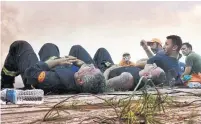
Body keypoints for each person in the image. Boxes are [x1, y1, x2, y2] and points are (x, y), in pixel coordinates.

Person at [1, 41, 105, 94]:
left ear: (80, 81)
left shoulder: (53, 79)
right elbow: (94, 75)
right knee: (50, 46)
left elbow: (31, 73)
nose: (91, 66)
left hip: (35, 78)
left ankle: (6, 83)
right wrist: (81, 64)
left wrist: (54, 62)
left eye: (90, 69)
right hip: (64, 70)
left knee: (21, 45)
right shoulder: (84, 79)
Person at [93, 47, 166, 91]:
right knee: (102, 50)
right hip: (113, 67)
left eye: (153, 67)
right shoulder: (141, 71)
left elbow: (104, 84)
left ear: (146, 75)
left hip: (105, 71)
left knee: (100, 52)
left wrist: (108, 69)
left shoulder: (127, 78)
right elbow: (139, 62)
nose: (153, 64)